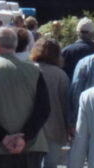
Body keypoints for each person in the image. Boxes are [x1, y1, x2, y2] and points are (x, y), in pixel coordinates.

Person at [0, 27, 50, 168]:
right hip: (31, 147)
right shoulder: (35, 71)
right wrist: (24, 138)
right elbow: (43, 110)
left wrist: (3, 137)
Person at [30, 38, 70, 168]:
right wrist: (69, 126)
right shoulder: (60, 75)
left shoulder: (28, 70)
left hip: (30, 126)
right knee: (51, 164)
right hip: (55, 125)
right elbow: (65, 104)